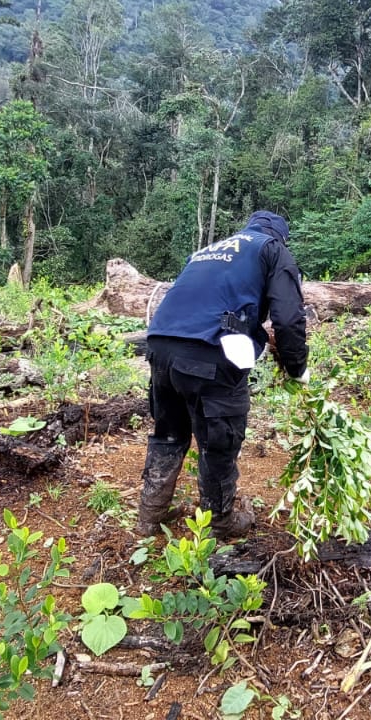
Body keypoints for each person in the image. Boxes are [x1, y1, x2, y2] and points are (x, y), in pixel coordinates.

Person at [135, 211, 310, 539]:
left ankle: (150, 516)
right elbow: (288, 318)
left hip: (160, 344)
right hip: (212, 350)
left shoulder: (210, 250)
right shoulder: (273, 249)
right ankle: (219, 521)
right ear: (279, 235)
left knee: (168, 432)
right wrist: (297, 368)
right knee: (219, 439)